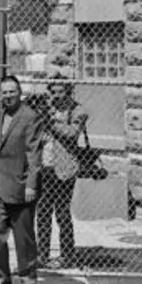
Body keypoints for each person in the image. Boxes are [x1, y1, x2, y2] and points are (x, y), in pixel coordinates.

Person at [0, 75, 43, 284]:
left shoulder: (30, 117)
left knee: (24, 238)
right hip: (0, 186)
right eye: (5, 92)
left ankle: (29, 278)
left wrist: (31, 184)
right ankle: (2, 277)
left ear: (19, 92)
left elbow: (34, 153)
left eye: (12, 91)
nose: (8, 96)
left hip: (21, 187)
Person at [37, 79, 88, 269]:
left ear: (68, 92)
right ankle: (42, 255)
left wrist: (50, 123)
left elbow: (72, 133)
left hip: (64, 169)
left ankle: (67, 255)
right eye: (53, 92)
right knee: (43, 212)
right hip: (45, 166)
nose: (56, 96)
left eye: (60, 92)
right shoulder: (47, 108)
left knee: (62, 213)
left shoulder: (77, 111)